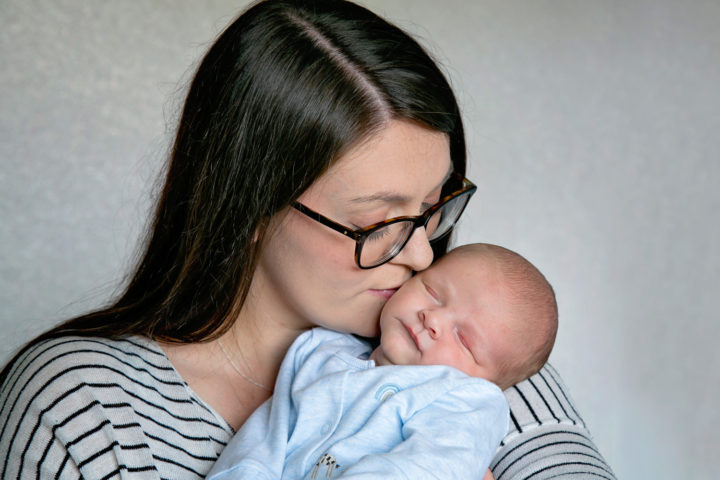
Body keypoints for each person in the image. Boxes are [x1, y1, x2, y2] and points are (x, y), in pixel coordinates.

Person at [0, 1, 616, 479]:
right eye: (380, 221)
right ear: (249, 203)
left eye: (432, 209)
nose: (423, 255)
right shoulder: (88, 404)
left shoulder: (469, 352)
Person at [207, 243, 558, 480]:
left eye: (464, 339)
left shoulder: (467, 402)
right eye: (433, 292)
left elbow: (425, 469)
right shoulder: (321, 351)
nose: (432, 319)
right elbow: (266, 436)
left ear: (487, 382)